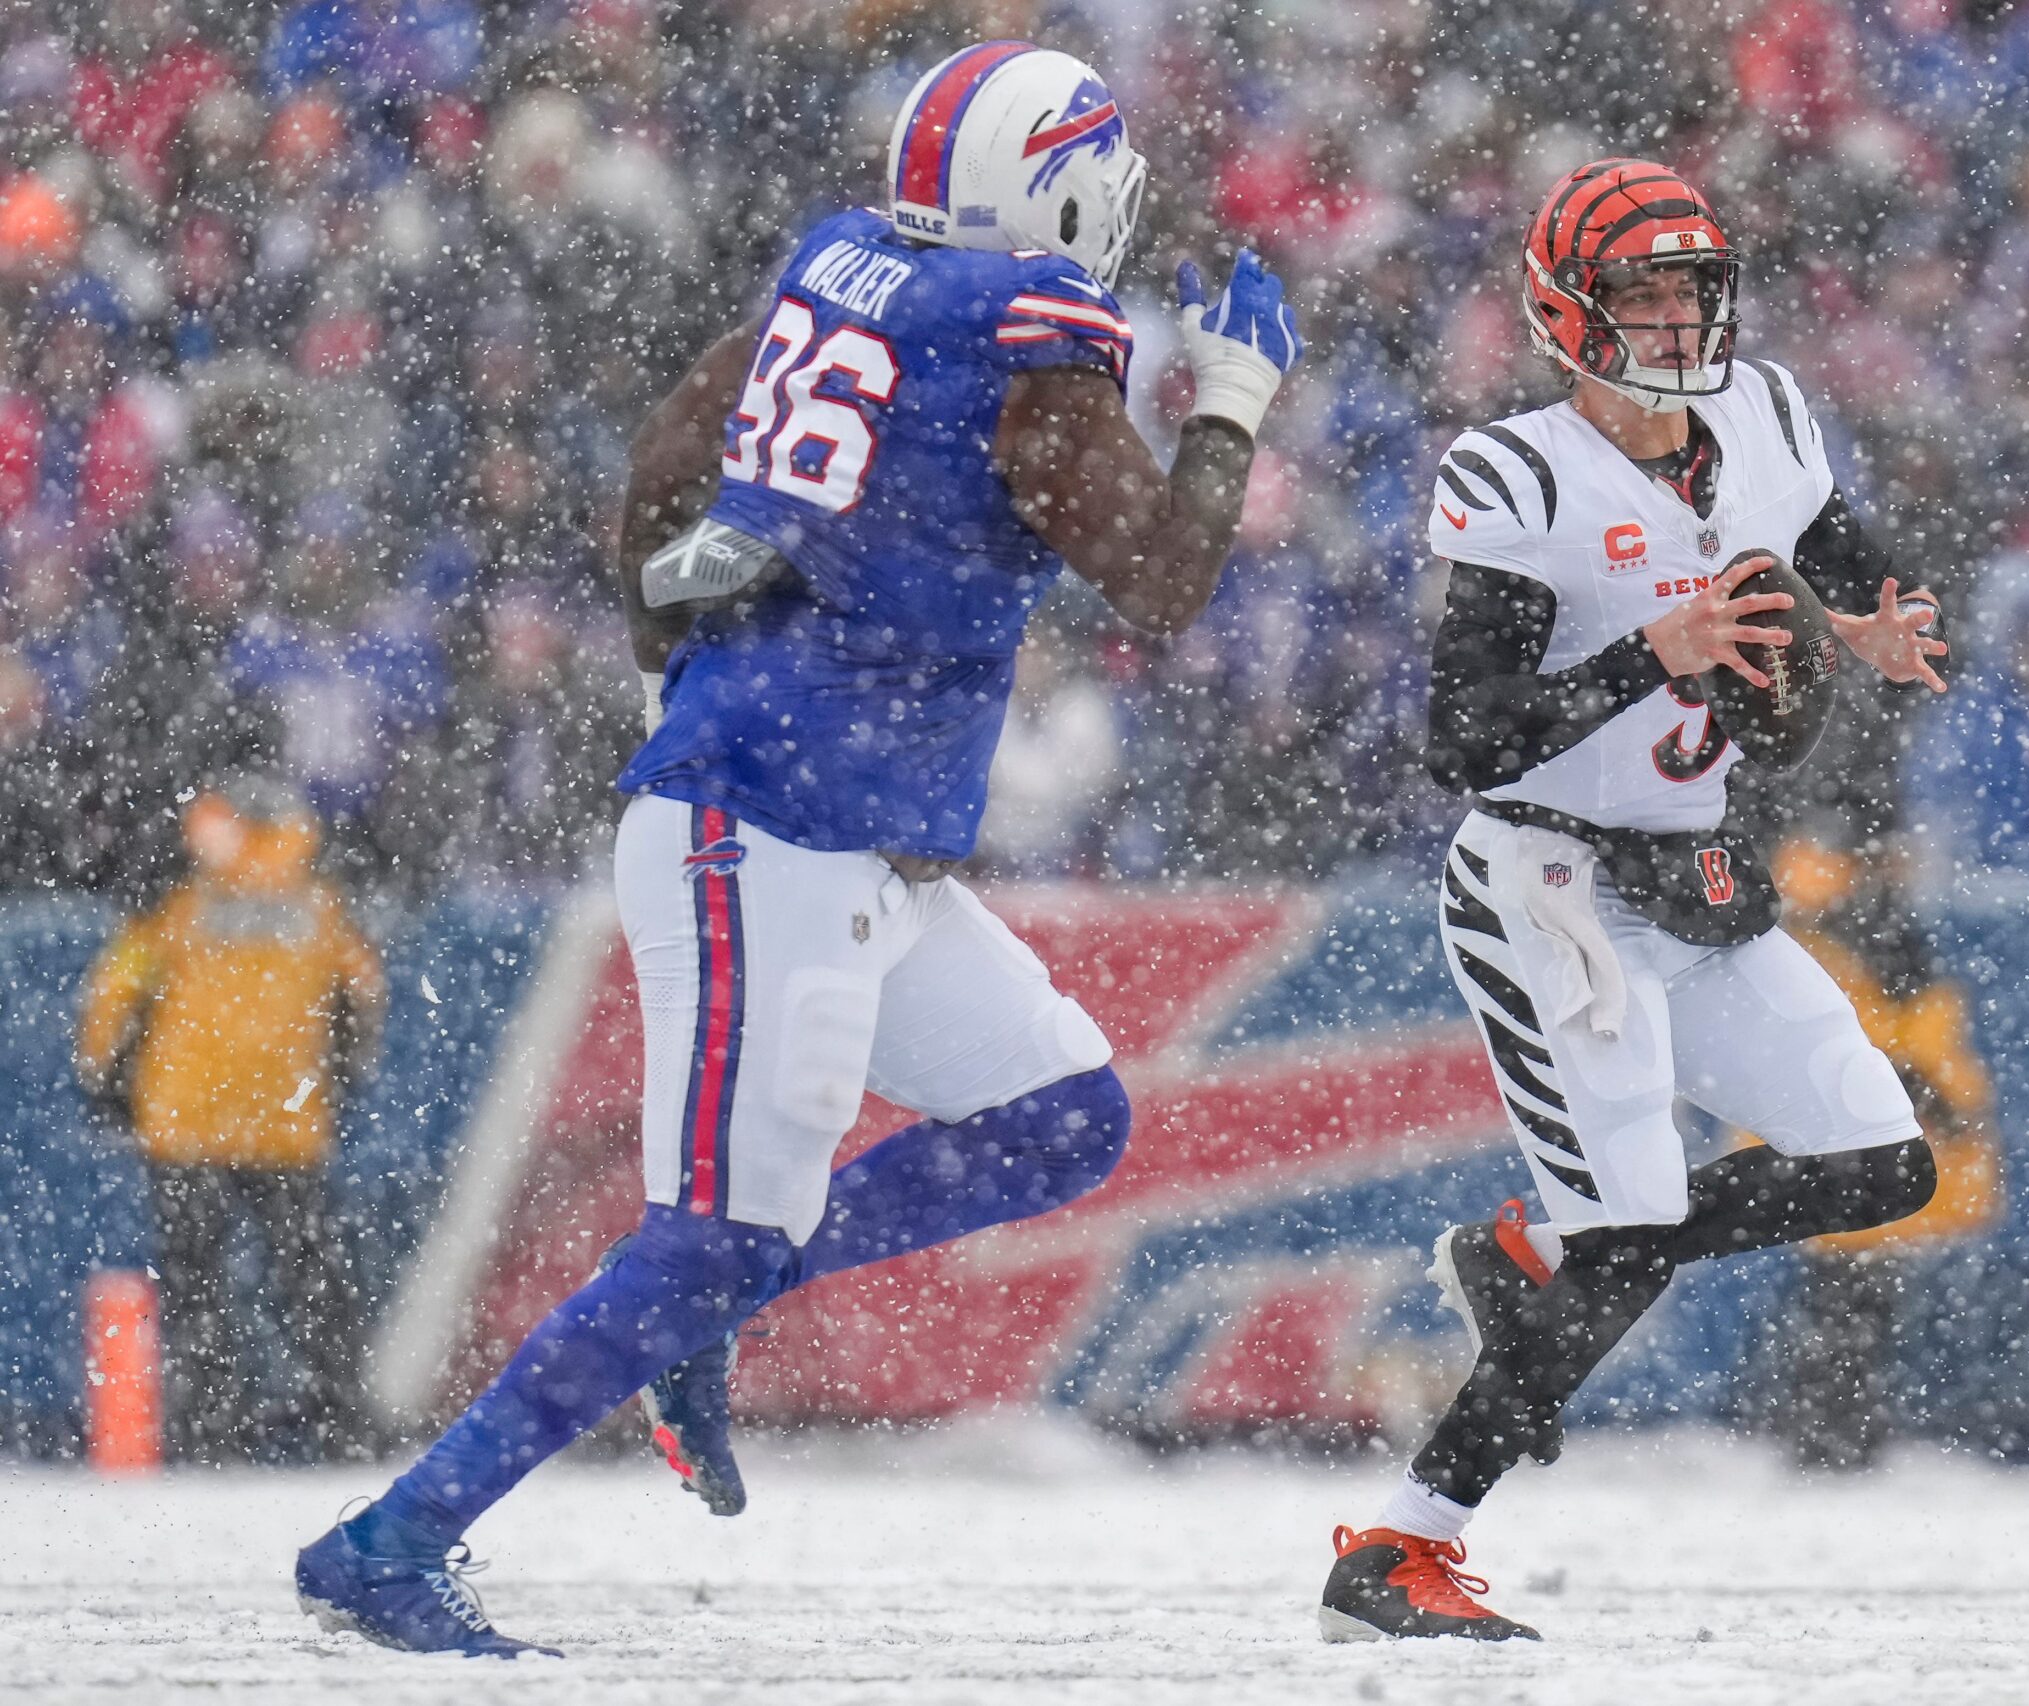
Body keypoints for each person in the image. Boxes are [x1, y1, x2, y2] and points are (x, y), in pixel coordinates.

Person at [295, 41, 1300, 1656]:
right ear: (1053, 193)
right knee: (706, 1238)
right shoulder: (1028, 341)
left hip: (836, 828)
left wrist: (670, 672)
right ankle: (392, 1538)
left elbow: (660, 468)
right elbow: (1167, 581)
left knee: (1061, 1117)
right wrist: (1233, 407)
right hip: (772, 831)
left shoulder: (842, 271)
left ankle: (713, 1302)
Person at [1319, 159, 1948, 1643]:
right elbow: (1463, 741)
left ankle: (1534, 1254)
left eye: (1692, 290)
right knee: (1631, 1229)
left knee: (1880, 1162)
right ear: (1567, 311)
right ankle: (1398, 1550)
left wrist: (1870, 618)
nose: (1674, 321)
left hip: (1693, 867)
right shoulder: (1522, 474)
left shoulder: (1764, 415)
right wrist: (1652, 652)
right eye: (1641, 293)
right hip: (1548, 882)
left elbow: (1835, 551)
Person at [74, 776, 386, 1462]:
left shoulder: (176, 902)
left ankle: (212, 1422)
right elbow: (362, 997)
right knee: (312, 1276)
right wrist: (338, 1077)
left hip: (184, 1116)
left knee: (197, 1281)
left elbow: (116, 990)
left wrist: (106, 1079)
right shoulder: (319, 904)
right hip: (286, 1121)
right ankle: (342, 1417)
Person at [1762, 834, 2002, 1472]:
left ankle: (1828, 1420)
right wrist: (1924, 1091)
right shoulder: (1851, 939)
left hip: (1841, 1147)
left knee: (1849, 1295)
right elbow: (1882, 1038)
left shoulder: (1834, 935)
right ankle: (1831, 1422)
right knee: (1851, 1297)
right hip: (1852, 1145)